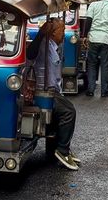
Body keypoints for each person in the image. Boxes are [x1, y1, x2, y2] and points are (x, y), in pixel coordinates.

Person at [27, 17, 79, 171]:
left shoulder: (55, 46)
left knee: (65, 108)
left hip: (54, 90)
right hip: (44, 93)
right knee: (69, 112)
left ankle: (58, 149)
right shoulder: (43, 46)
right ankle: (62, 150)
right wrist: (40, 34)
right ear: (53, 33)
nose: (64, 34)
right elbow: (31, 54)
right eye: (61, 31)